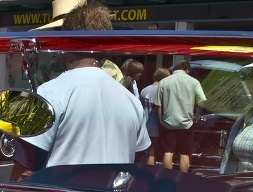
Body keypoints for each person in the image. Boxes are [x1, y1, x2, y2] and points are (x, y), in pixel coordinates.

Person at [18, 0, 148, 172]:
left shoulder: (49, 94)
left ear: (63, 44)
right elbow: (140, 163)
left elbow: (24, 168)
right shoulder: (131, 101)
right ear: (105, 49)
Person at [156, 60, 206, 172]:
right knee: (185, 153)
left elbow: (157, 104)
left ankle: (167, 177)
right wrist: (197, 115)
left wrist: (160, 119)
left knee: (168, 151)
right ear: (187, 70)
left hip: (168, 122)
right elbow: (202, 101)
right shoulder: (194, 82)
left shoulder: (164, 82)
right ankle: (184, 179)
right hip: (186, 123)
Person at [139, 67, 170, 166]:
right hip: (156, 126)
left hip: (144, 125)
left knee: (146, 153)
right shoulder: (161, 91)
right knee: (153, 153)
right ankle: (150, 174)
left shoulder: (144, 90)